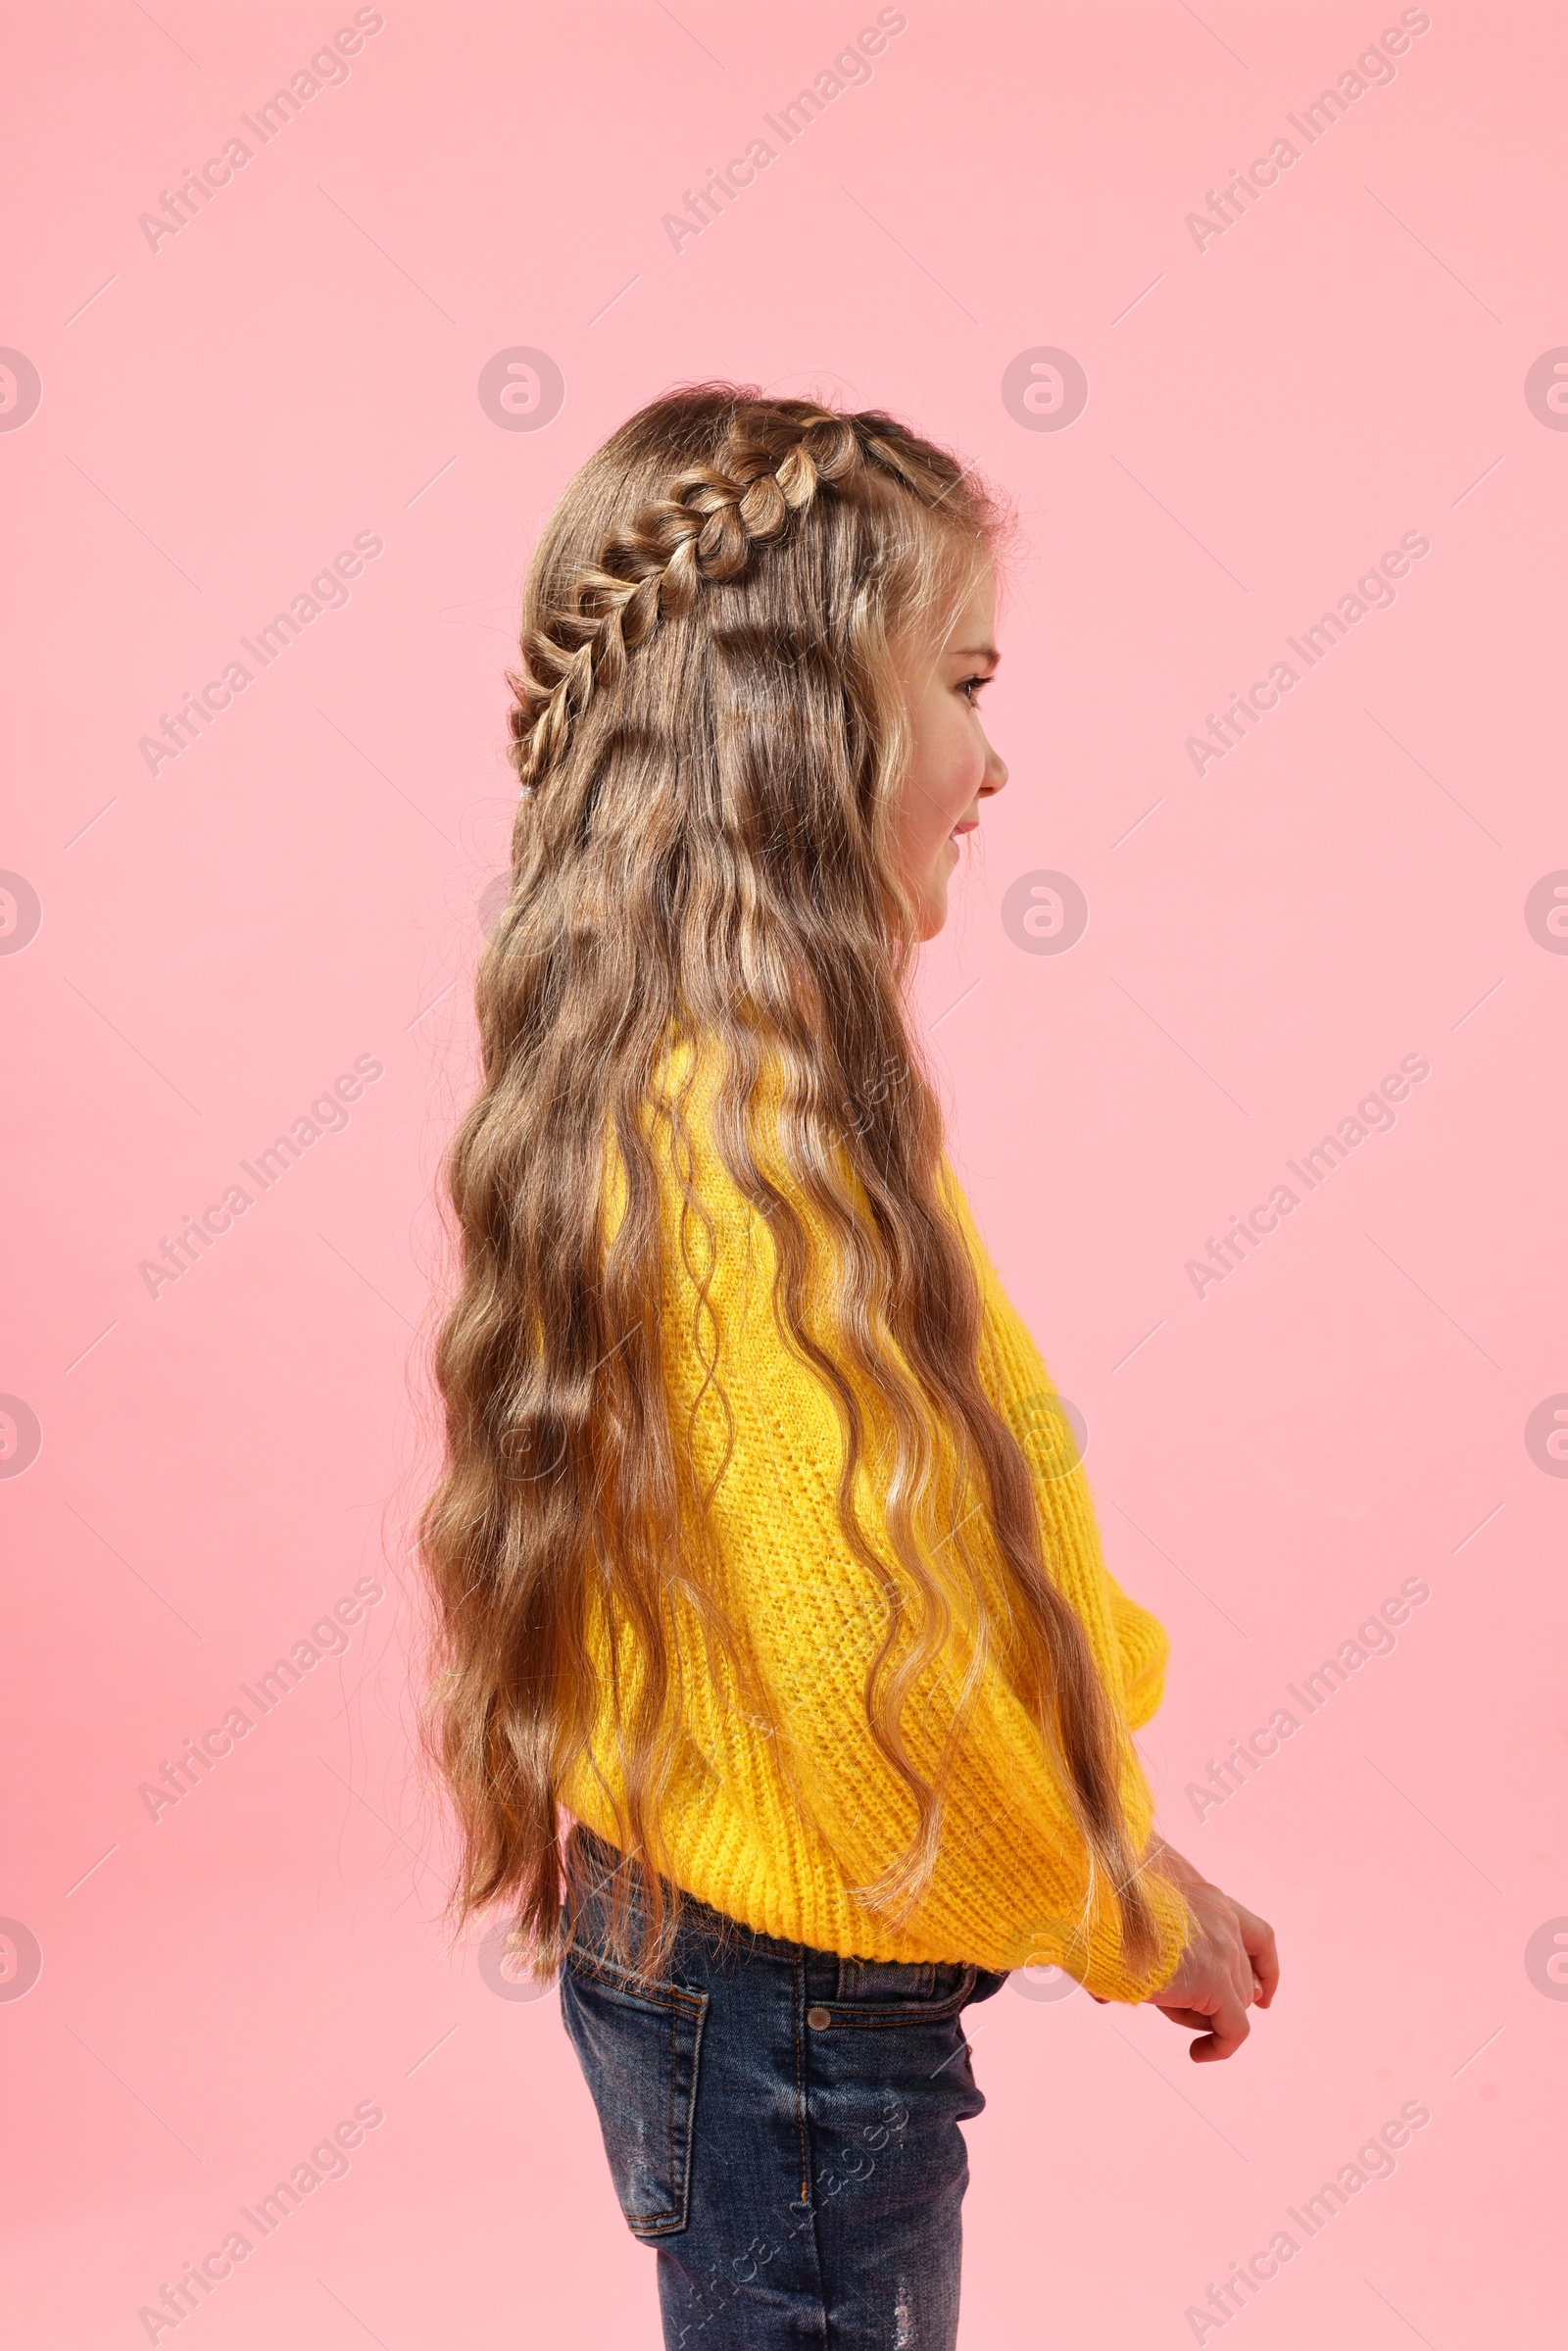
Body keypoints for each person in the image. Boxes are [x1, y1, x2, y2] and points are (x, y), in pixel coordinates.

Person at [417, 385, 1278, 2349]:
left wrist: (1126, 1850)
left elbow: (923, 1593)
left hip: (731, 1961)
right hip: (794, 2008)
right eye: (962, 683)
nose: (993, 764)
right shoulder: (750, 1155)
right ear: (802, 731)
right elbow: (870, 1680)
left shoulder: (722, 1096)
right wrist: (1122, 1915)